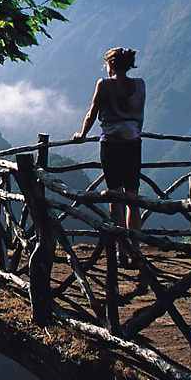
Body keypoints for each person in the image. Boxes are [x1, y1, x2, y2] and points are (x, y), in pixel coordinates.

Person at [72, 47, 145, 267]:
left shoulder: (103, 84)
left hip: (111, 143)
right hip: (133, 141)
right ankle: (136, 248)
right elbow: (140, 115)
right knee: (133, 197)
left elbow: (92, 113)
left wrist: (82, 134)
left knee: (115, 196)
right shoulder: (140, 84)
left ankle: (121, 249)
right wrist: (135, 132)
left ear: (110, 64)